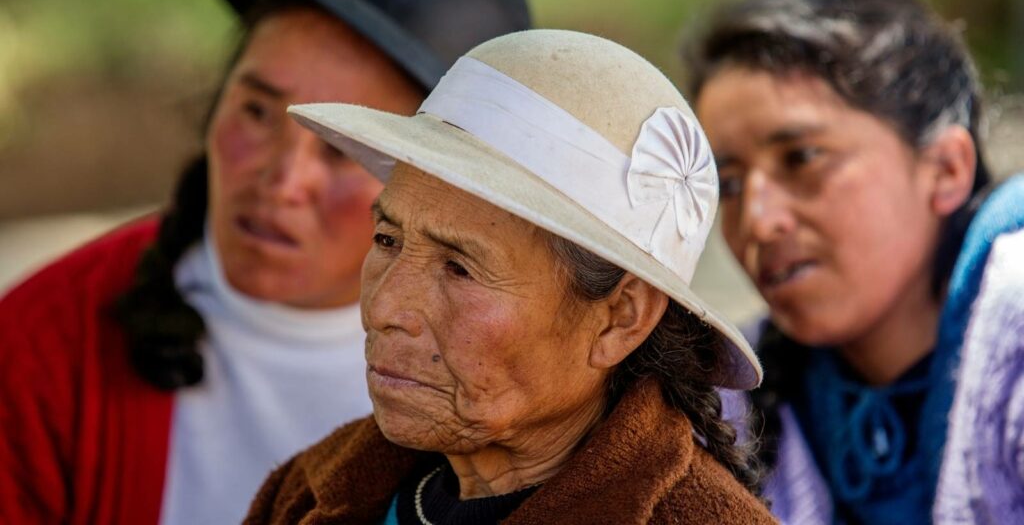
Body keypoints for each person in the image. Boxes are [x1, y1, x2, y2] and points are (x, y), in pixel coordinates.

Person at [0, 0, 530, 524]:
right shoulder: (43, 344)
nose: (282, 183)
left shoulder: (527, 379)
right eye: (256, 111)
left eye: (341, 147)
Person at [242, 28, 776, 525]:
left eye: (459, 268)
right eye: (388, 240)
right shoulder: (311, 493)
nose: (384, 310)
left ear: (620, 318)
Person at [682, 0, 1024, 524]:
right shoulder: (728, 395)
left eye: (802, 158)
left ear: (945, 169)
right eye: (729, 186)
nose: (758, 222)